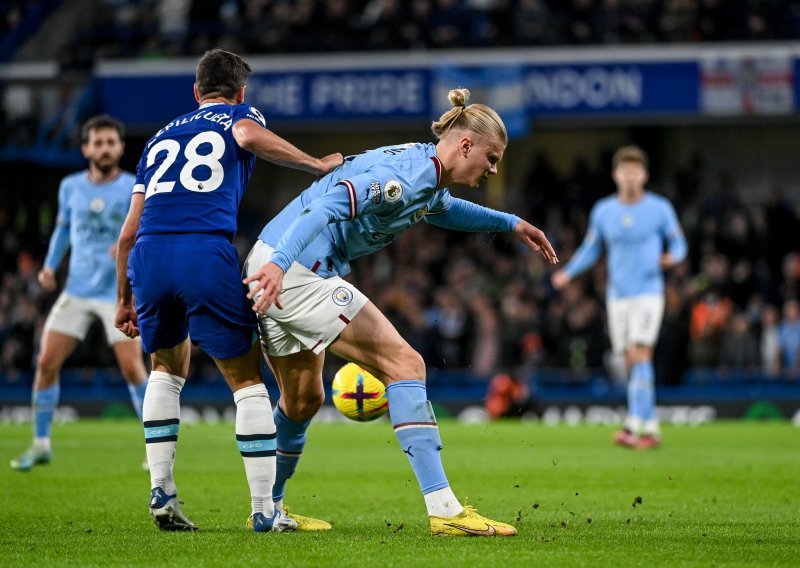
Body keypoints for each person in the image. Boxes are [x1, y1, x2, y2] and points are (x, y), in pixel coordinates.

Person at [243, 87, 558, 537]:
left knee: (302, 400)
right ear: (465, 145)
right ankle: (445, 508)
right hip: (293, 268)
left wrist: (512, 223)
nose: (493, 169)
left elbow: (444, 209)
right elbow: (324, 208)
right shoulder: (406, 176)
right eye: (491, 158)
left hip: (274, 261)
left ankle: (267, 510)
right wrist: (279, 267)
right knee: (405, 363)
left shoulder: (425, 171)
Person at [114, 48, 343, 532]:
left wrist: (123, 298)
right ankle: (264, 509)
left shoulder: (158, 138)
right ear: (241, 92)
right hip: (203, 249)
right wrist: (315, 164)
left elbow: (128, 232)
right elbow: (245, 134)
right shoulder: (240, 114)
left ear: (195, 92)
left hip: (149, 255)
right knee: (247, 381)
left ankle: (163, 491)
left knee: (165, 370)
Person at [10, 116, 149, 472]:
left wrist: (124, 252)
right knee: (45, 363)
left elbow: (142, 234)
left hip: (116, 296)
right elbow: (63, 230)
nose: (104, 148)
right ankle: (41, 443)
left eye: (110, 142)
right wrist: (49, 266)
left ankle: (155, 449)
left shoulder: (134, 188)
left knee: (134, 369)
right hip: (76, 290)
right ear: (86, 148)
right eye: (97, 143)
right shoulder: (71, 186)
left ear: (120, 148)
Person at [551, 145, 687, 449]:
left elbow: (679, 244)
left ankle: (631, 424)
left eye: (635, 171)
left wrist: (672, 258)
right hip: (618, 296)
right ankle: (651, 427)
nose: (629, 176)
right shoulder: (603, 211)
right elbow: (591, 249)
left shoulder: (660, 208)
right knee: (629, 360)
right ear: (615, 175)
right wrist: (568, 272)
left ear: (644, 175)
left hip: (649, 292)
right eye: (624, 171)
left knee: (640, 353)